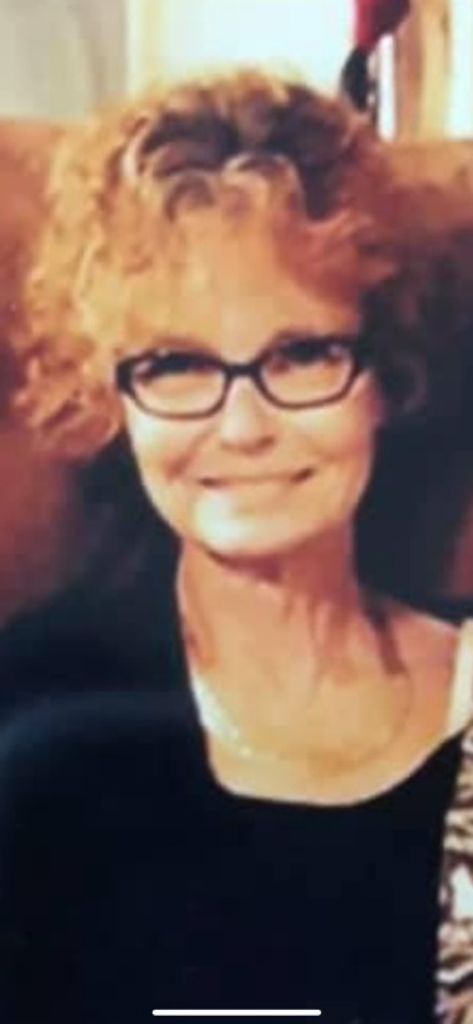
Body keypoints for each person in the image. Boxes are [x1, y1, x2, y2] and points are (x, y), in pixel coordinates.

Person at [0, 71, 472, 1024]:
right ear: (108, 395)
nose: (244, 426)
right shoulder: (36, 729)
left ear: (383, 375)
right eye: (175, 364)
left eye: (303, 352)